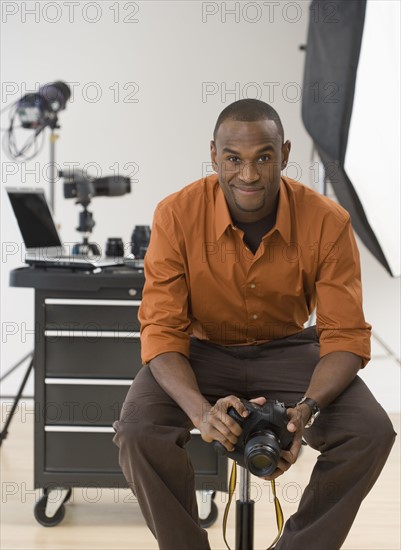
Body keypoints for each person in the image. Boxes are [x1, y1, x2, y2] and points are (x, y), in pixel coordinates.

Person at [113, 99, 396, 550]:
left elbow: (343, 334)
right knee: (137, 431)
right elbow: (162, 331)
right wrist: (199, 413)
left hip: (289, 351)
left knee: (371, 433)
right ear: (213, 155)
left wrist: (308, 409)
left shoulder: (328, 221)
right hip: (201, 353)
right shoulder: (176, 215)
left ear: (284, 154)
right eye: (233, 159)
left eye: (263, 157)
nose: (248, 174)